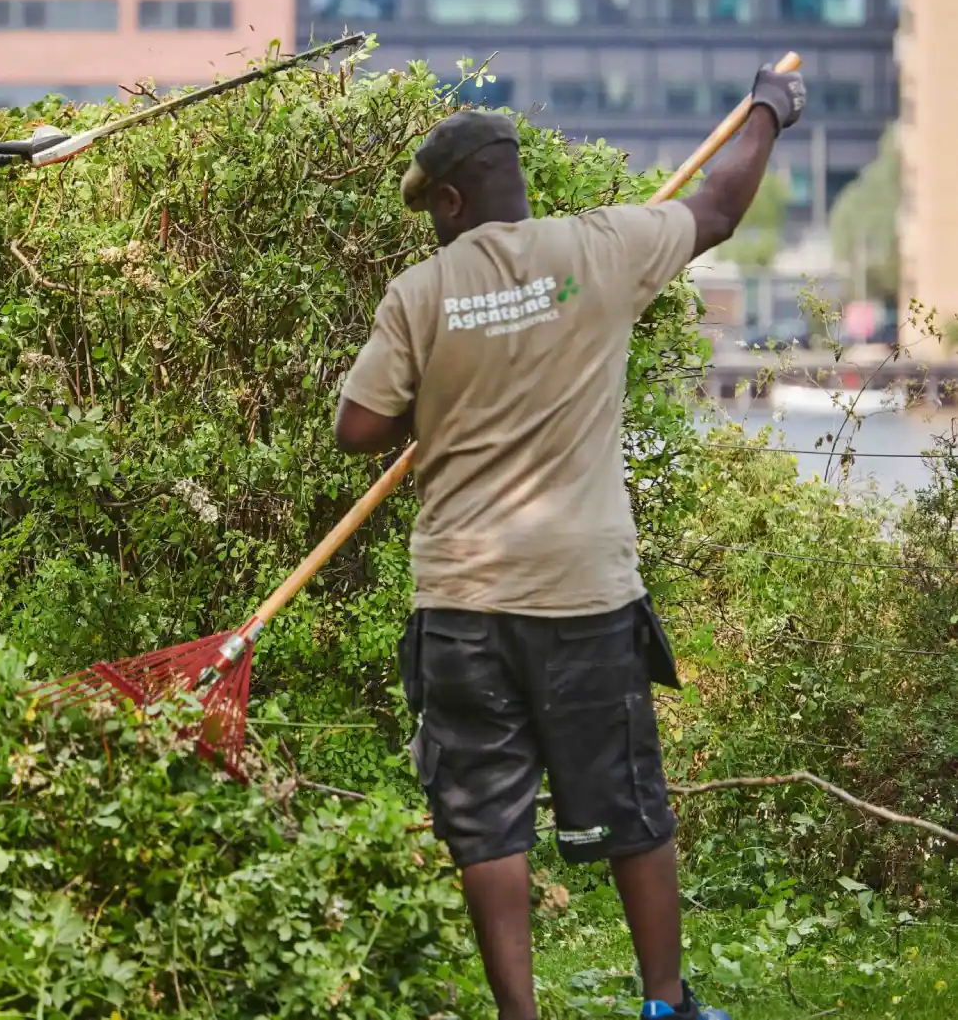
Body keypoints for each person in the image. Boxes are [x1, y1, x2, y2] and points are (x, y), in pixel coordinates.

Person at [332, 64, 806, 1020]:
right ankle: (665, 1003)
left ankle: (521, 1017)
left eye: (434, 206)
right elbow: (716, 209)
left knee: (486, 823)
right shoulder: (602, 247)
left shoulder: (419, 292)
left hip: (462, 604)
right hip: (584, 597)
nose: (433, 223)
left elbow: (358, 428)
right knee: (628, 804)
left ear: (457, 197)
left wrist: (443, 389)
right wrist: (768, 110)